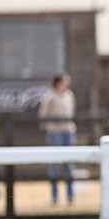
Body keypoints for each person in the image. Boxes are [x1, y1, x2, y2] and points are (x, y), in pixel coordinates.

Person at [39, 73, 77, 205]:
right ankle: (54, 197)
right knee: (55, 164)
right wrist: (48, 128)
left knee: (69, 164)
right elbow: (43, 114)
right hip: (55, 132)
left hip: (68, 131)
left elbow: (72, 111)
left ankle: (70, 196)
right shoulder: (50, 96)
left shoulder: (69, 95)